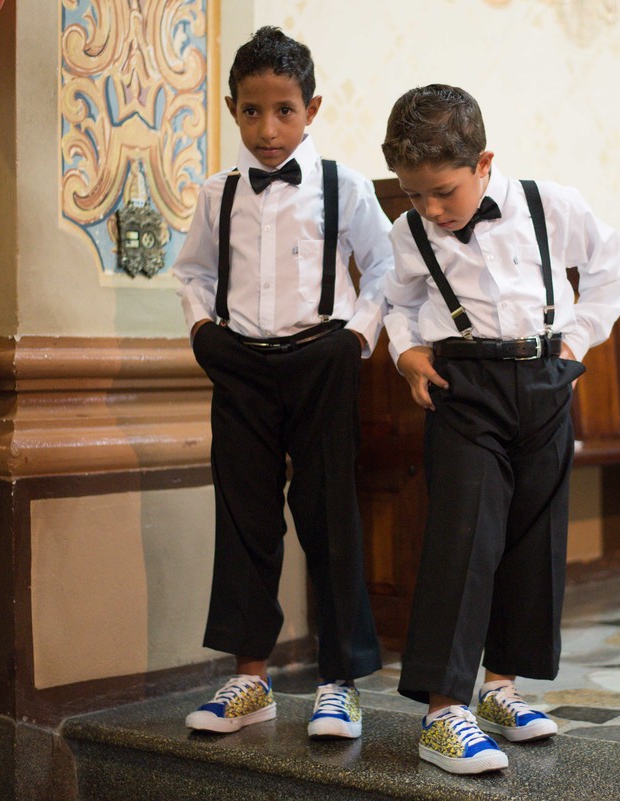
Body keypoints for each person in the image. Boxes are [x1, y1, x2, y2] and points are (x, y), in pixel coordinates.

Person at [380, 84, 620, 774]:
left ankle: (501, 690)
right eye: (414, 195)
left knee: (533, 538)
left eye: (442, 192)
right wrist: (404, 350)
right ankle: (442, 712)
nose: (429, 209)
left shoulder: (552, 204)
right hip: (464, 390)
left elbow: (612, 266)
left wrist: (577, 338)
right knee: (465, 536)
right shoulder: (409, 235)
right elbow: (393, 299)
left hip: (546, 380)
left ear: (483, 162)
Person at [173, 26, 389, 739]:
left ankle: (339, 681)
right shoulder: (219, 192)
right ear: (232, 108)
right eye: (252, 111)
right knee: (245, 515)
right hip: (238, 361)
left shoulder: (344, 187)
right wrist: (204, 329)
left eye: (285, 111)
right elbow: (194, 271)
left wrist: (357, 336)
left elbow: (386, 270)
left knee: (330, 516)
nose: (268, 130)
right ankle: (250, 678)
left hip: (322, 357)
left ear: (313, 107)